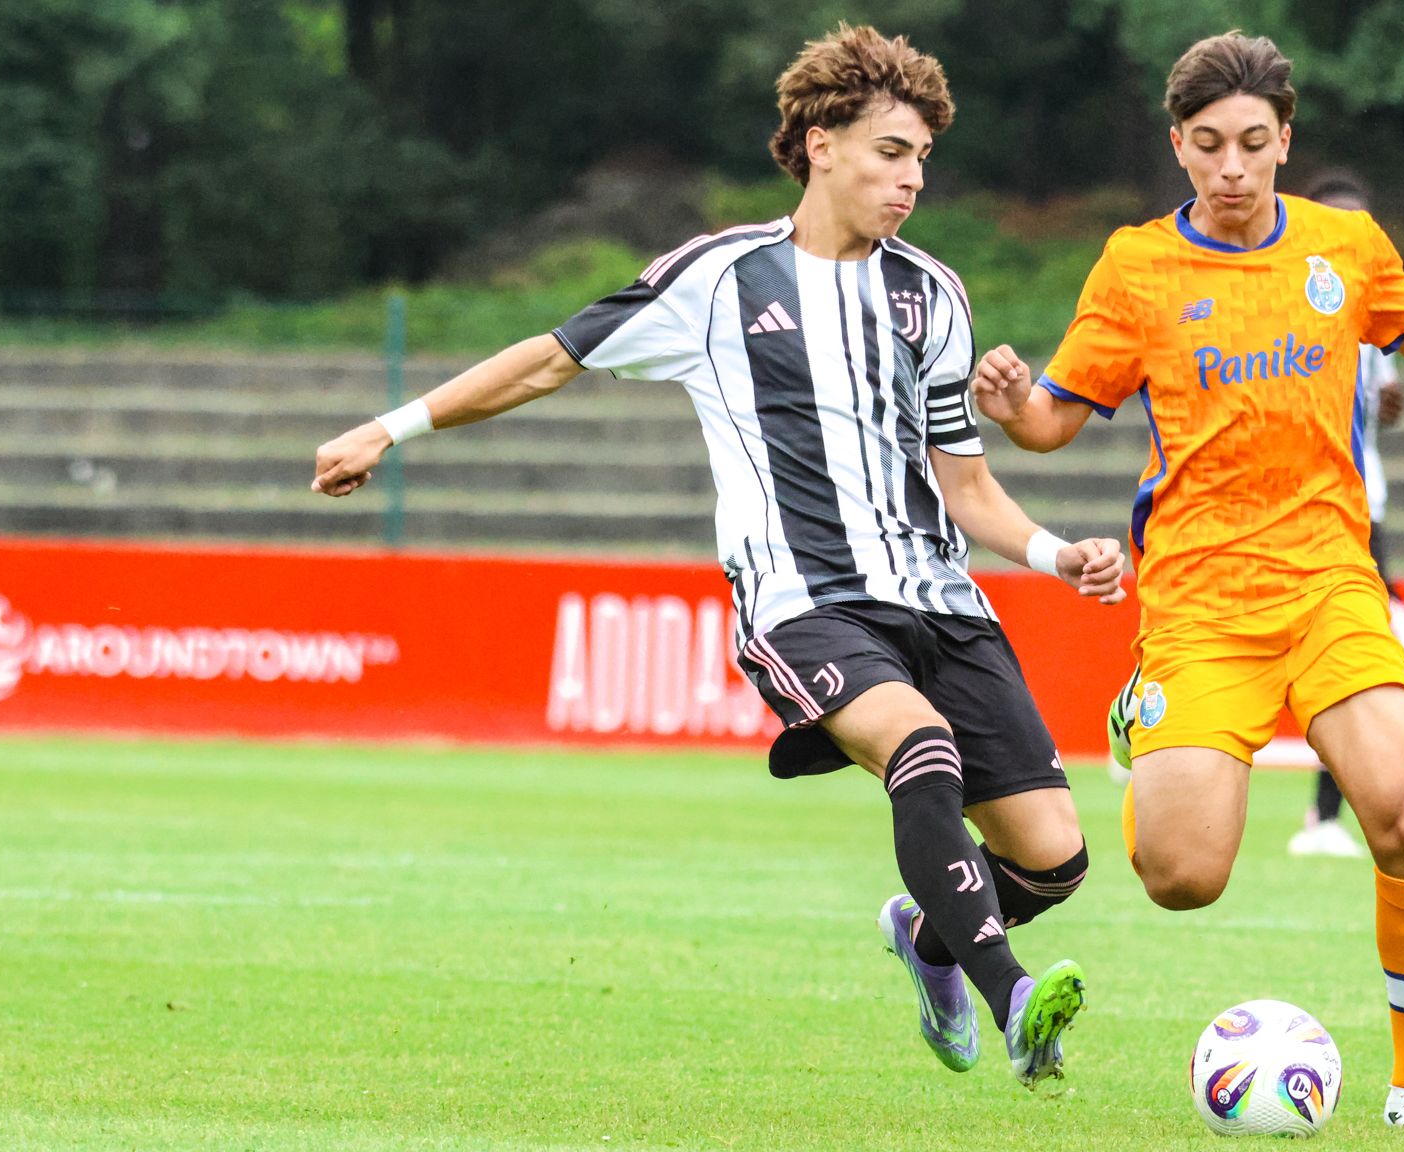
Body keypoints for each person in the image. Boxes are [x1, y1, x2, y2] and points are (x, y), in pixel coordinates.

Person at [312, 23, 1123, 1089]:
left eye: (923, 157)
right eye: (891, 152)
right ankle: (1014, 999)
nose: (912, 178)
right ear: (820, 141)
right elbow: (546, 363)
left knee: (1054, 857)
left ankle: (929, 940)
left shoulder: (934, 296)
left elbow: (965, 487)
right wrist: (389, 428)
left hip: (942, 600)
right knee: (919, 750)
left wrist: (1056, 552)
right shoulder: (718, 278)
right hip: (805, 598)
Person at [969, 31, 1404, 1130]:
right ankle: (1143, 721)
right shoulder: (1139, 266)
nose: (1233, 167)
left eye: (1253, 142)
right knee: (1181, 877)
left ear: (1285, 140)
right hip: (1200, 599)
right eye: (1209, 147)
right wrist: (1015, 409)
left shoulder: (1347, 246)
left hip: (1332, 578)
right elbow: (1057, 421)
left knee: (1402, 811)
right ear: (1180, 149)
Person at [1105, 169, 1404, 863]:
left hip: (1349, 517)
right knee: (1188, 866)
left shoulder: (1366, 293)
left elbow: (1393, 390)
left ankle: (1325, 814)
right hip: (1230, 533)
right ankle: (1160, 720)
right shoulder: (1235, 290)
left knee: (1355, 678)